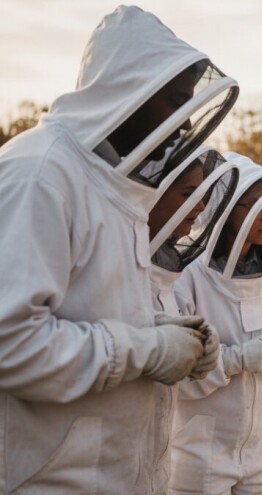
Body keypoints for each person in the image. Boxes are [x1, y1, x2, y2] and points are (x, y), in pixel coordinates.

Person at [0, 6, 238, 493]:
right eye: (170, 102)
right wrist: (148, 349)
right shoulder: (40, 172)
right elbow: (12, 344)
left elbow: (90, 308)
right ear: (128, 87)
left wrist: (167, 331)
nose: (178, 124)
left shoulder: (113, 186)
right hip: (53, 479)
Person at [169, 153, 262, 494]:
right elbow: (172, 373)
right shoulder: (187, 275)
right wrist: (235, 360)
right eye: (253, 206)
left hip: (260, 444)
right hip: (199, 448)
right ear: (225, 210)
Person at [148, 146, 239, 316]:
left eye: (201, 195)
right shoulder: (117, 259)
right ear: (154, 193)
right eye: (189, 194)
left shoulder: (168, 262)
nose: (201, 206)